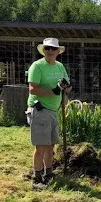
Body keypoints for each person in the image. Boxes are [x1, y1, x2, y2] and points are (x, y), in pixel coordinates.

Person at [26, 37, 72, 190]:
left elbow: (68, 87)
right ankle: (37, 178)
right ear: (43, 50)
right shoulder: (37, 66)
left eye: (53, 49)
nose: (50, 51)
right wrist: (52, 91)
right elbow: (32, 89)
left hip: (53, 110)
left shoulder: (60, 66)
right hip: (40, 109)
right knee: (41, 147)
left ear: (58, 51)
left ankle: (49, 174)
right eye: (47, 48)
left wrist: (66, 87)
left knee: (50, 145)